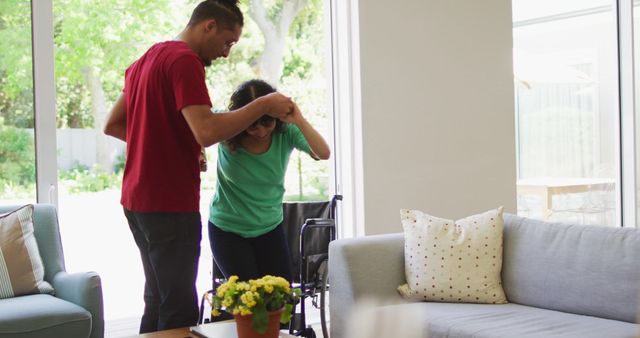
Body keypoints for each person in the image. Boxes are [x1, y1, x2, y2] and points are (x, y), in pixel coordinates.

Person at [103, 0, 293, 333]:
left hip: (137, 202)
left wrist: (178, 150)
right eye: (227, 41)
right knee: (178, 308)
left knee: (158, 298)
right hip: (169, 205)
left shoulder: (145, 60)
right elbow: (207, 131)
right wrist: (263, 103)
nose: (226, 53)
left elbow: (115, 124)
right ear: (208, 26)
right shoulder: (184, 61)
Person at [208, 79, 331, 285]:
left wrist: (298, 119)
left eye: (267, 123)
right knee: (250, 303)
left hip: (269, 228)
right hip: (227, 230)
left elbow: (323, 152)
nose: (261, 132)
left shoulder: (286, 132)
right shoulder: (227, 127)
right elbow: (196, 126)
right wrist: (199, 153)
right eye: (252, 126)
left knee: (281, 301)